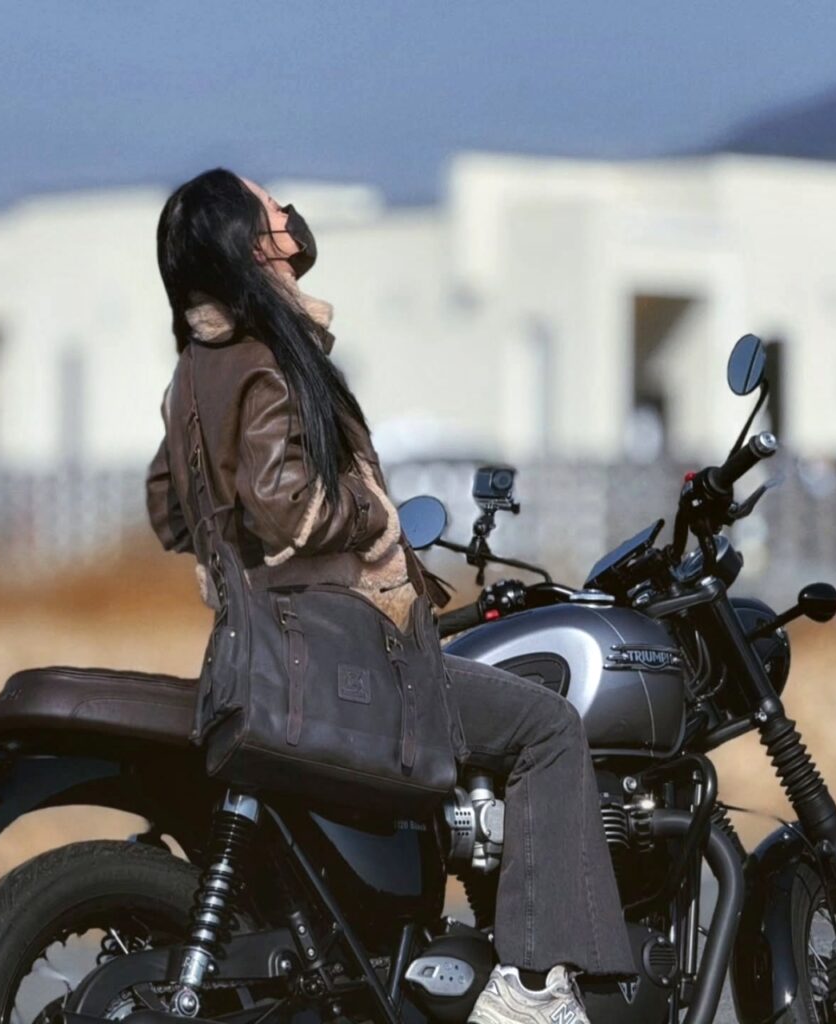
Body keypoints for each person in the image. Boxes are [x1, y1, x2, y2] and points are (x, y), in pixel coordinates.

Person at [145, 168, 636, 1024]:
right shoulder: (264, 357)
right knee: (548, 729)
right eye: (270, 206)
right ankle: (531, 987)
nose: (290, 213)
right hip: (342, 643)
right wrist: (373, 517)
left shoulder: (191, 375)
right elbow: (283, 499)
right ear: (253, 243)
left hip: (262, 648)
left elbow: (168, 507)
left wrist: (233, 566)